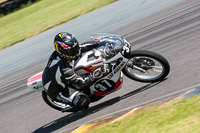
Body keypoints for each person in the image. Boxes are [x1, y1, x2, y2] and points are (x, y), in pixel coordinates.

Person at [42, 32, 105, 112]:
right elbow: (83, 83)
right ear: (62, 51)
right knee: (84, 101)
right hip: (58, 91)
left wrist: (97, 43)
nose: (75, 52)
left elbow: (81, 48)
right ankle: (74, 105)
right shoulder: (64, 69)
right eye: (70, 51)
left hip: (62, 78)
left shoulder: (65, 53)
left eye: (75, 47)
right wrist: (95, 75)